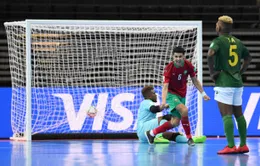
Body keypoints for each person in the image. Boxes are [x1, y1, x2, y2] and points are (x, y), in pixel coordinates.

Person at [145, 47, 210, 145]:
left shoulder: (188, 65)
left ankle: (151, 133)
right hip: (171, 94)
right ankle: (189, 138)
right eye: (176, 56)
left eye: (180, 56)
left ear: (184, 57)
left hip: (182, 95)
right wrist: (163, 102)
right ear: (173, 56)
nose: (178, 58)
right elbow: (165, 87)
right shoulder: (169, 68)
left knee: (175, 122)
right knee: (184, 110)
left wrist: (203, 93)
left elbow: (194, 80)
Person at [207, 15, 252, 154]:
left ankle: (231, 146)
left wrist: (212, 73)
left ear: (219, 27)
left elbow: (210, 54)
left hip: (224, 82)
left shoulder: (218, 41)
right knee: (239, 114)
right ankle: (243, 144)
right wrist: (240, 71)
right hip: (237, 82)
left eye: (217, 24)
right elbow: (248, 58)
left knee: (226, 114)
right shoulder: (238, 42)